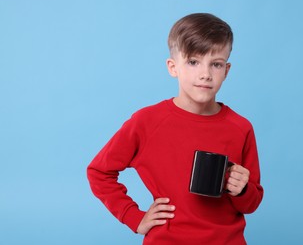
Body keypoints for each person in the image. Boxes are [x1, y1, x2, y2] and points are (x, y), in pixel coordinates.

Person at [87, 13, 264, 244]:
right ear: (173, 67)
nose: (205, 74)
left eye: (216, 64)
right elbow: (99, 172)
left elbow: (251, 203)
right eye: (193, 62)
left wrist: (242, 190)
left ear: (227, 70)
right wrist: (132, 216)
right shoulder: (147, 122)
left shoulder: (241, 128)